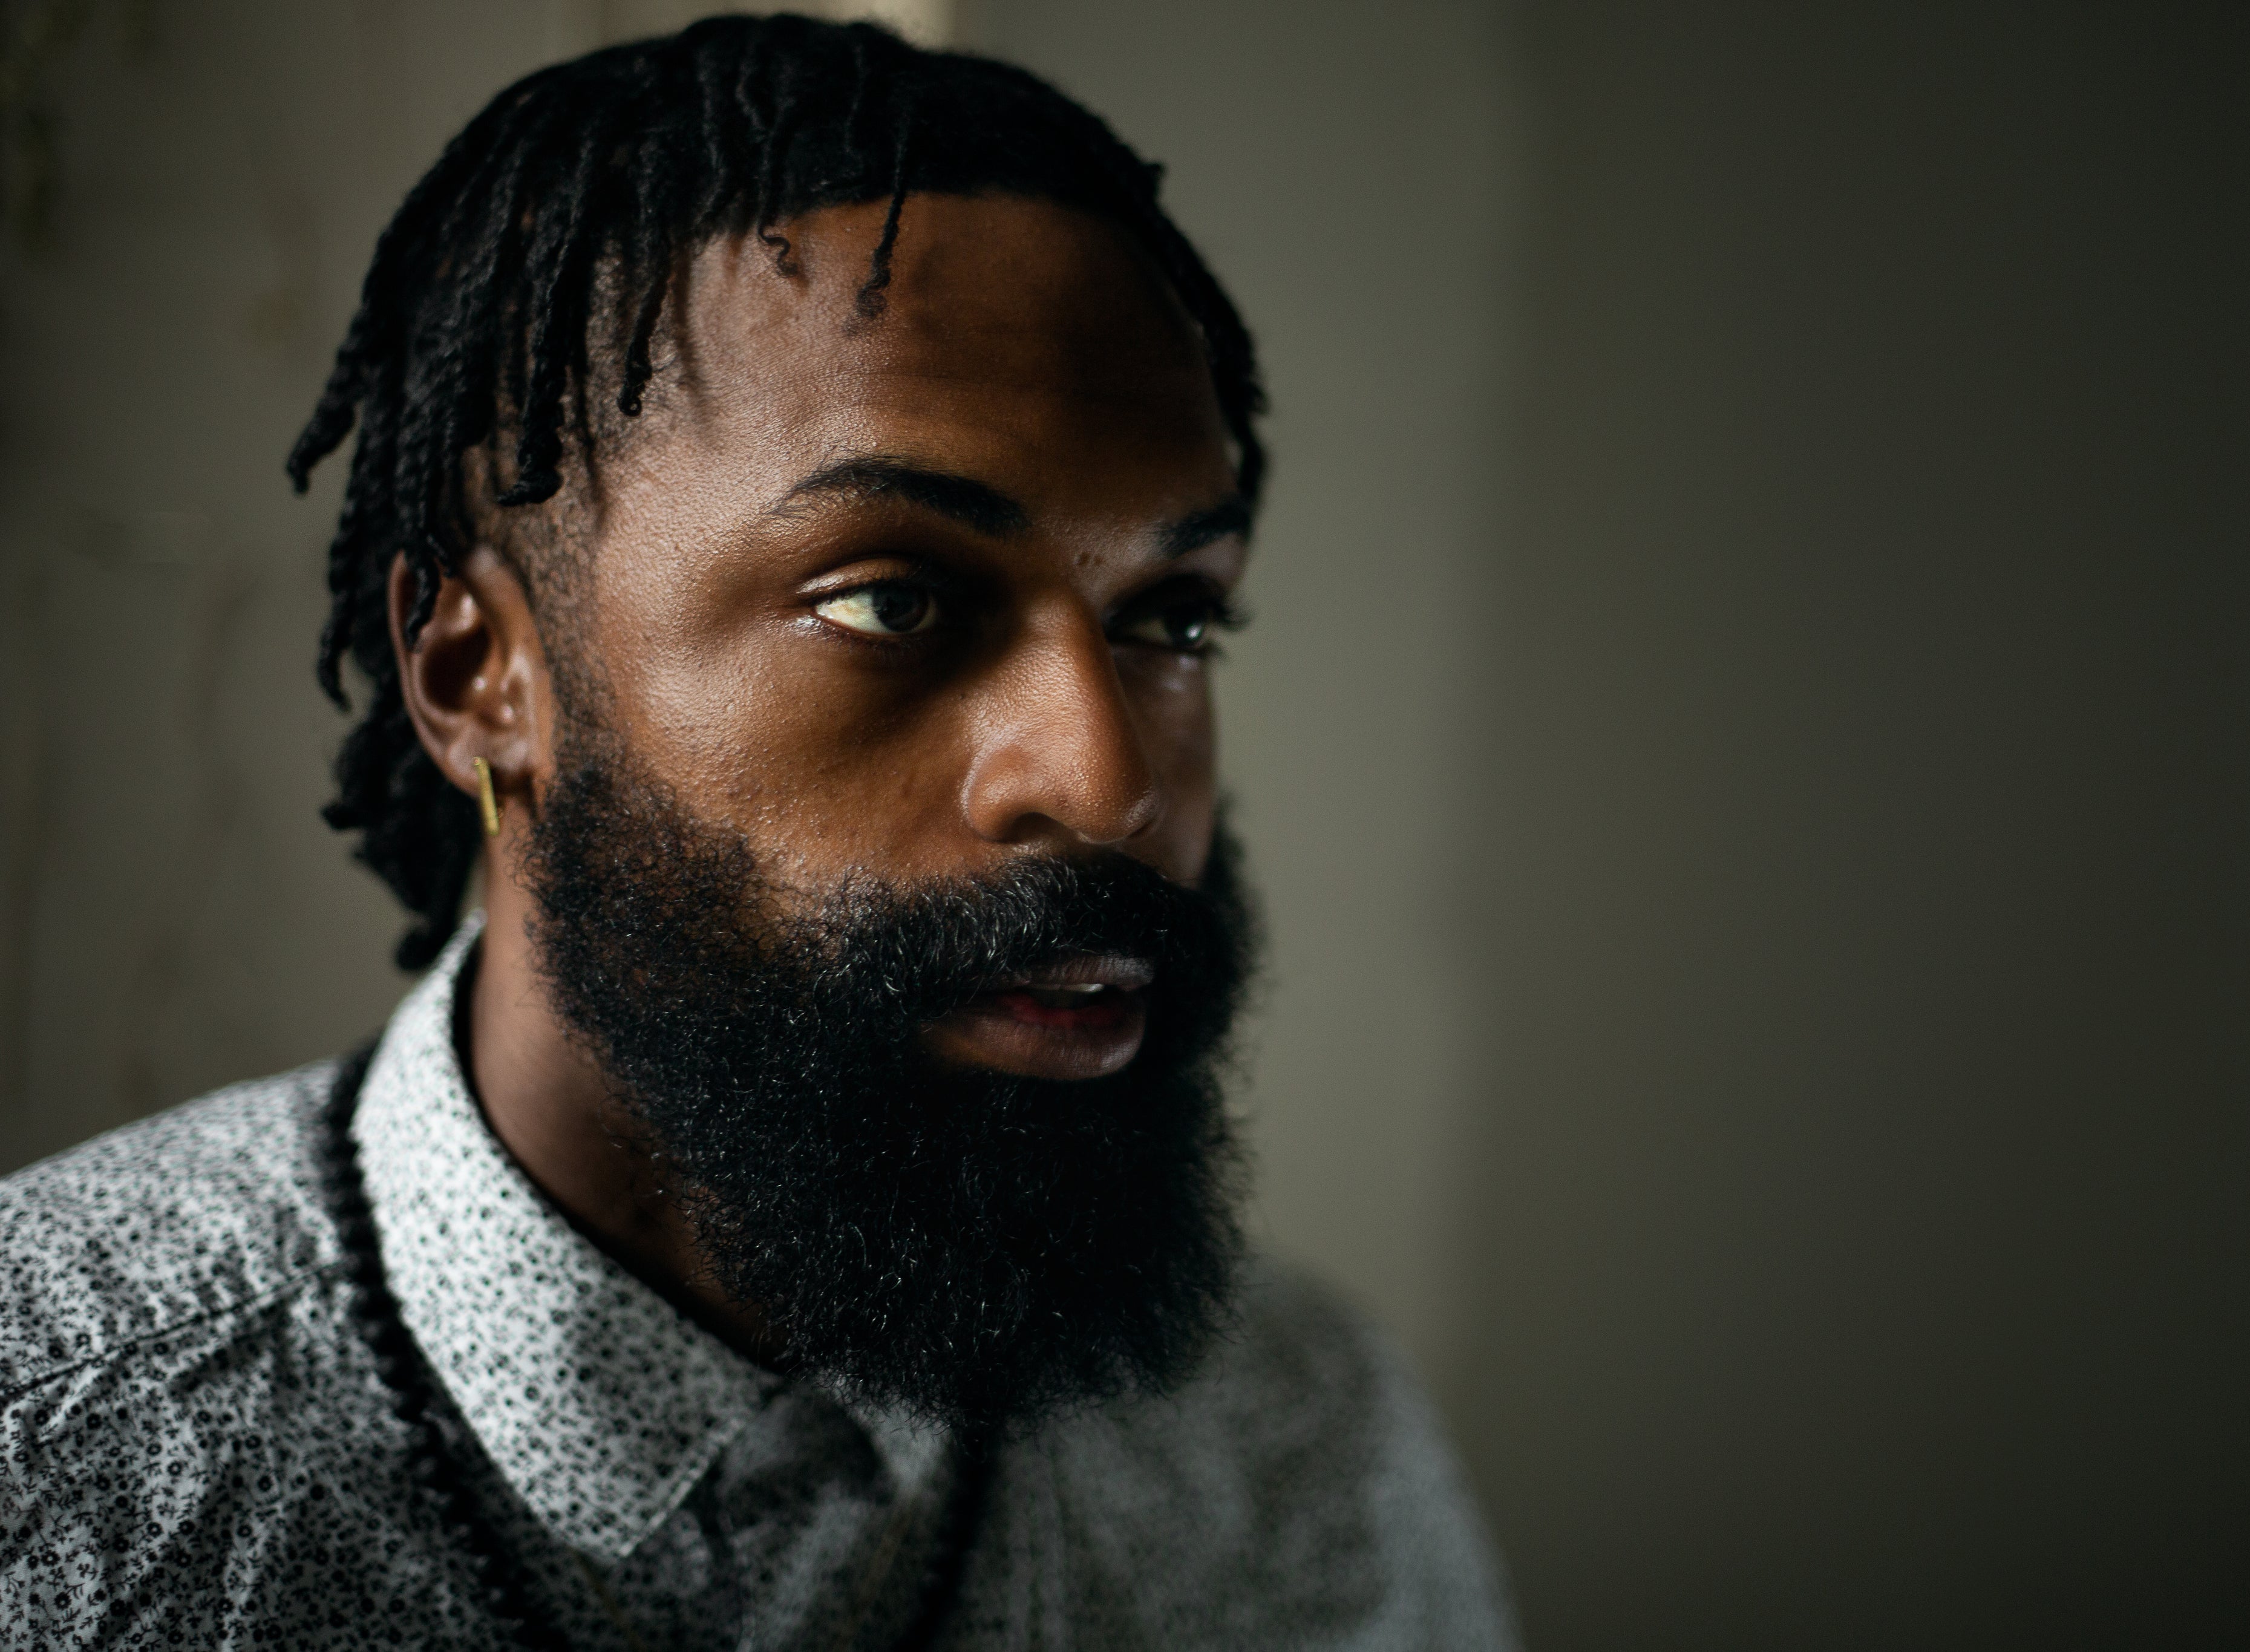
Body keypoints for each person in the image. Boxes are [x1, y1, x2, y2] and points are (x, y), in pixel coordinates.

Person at [0, 16, 1513, 1650]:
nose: (1104, 782)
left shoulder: (1293, 1442)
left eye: (1172, 619)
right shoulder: (60, 1462)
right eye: (893, 598)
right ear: (478, 673)